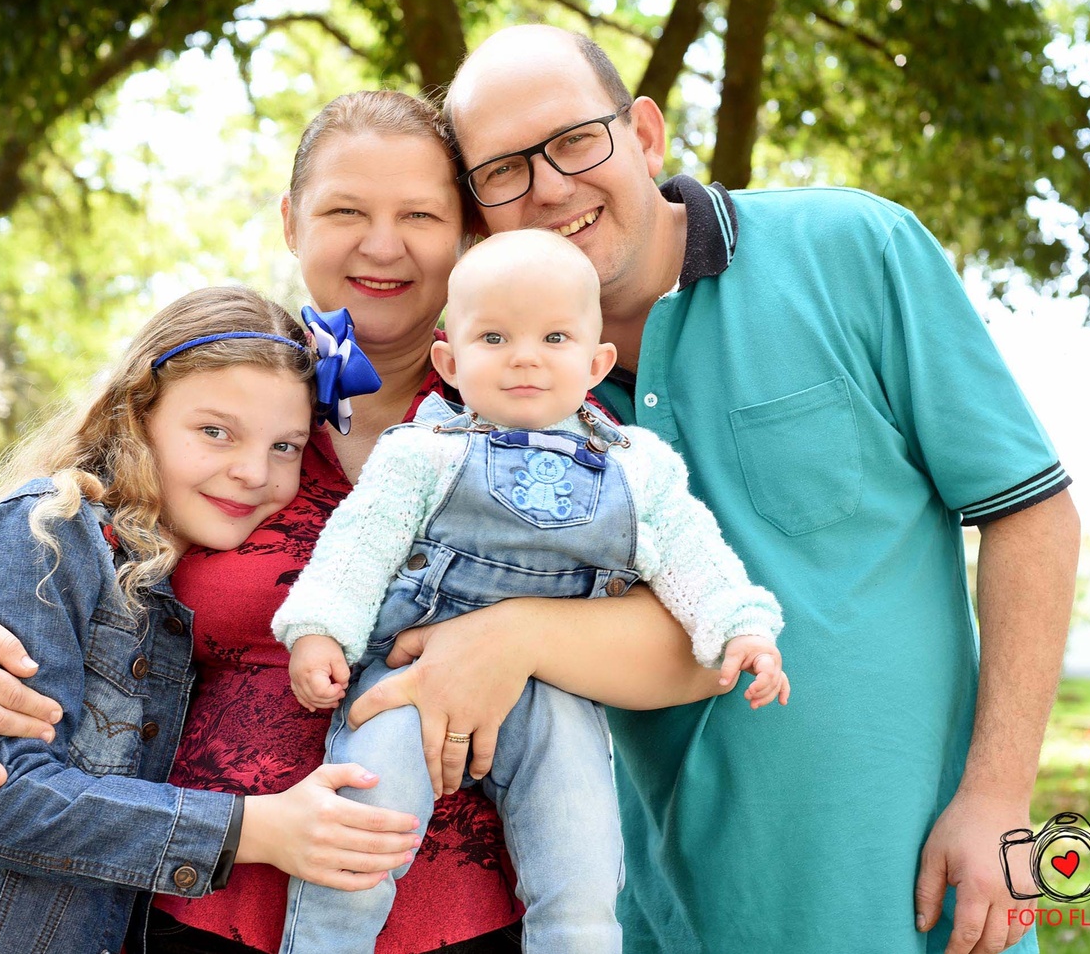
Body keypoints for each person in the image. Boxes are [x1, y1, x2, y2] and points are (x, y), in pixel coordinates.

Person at [0, 90, 733, 954]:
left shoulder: (544, 405)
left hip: (466, 916)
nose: (382, 245)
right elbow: (62, 505)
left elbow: (693, 631)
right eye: (346, 211)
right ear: (292, 221)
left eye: (420, 215)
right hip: (201, 903)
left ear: (467, 233)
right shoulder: (243, 395)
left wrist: (515, 637)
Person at [334, 25, 1079, 954]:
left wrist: (999, 795)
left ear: (645, 135)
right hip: (669, 914)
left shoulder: (853, 248)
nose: (551, 187)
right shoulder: (502, 405)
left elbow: (1030, 513)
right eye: (504, 171)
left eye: (575, 140)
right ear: (479, 214)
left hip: (914, 896)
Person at [0, 287, 428, 954]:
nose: (254, 472)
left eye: (285, 446)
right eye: (215, 432)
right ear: (137, 415)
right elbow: (3, 798)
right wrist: (258, 828)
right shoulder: (51, 535)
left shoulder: (163, 578)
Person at [273, 229, 788, 953]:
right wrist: (321, 628)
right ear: (450, 362)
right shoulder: (422, 452)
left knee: (582, 864)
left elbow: (694, 555)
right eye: (494, 337)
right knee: (359, 834)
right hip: (408, 678)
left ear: (596, 361)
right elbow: (360, 543)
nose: (524, 356)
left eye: (554, 337)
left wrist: (741, 627)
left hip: (558, 691)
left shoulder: (639, 468)